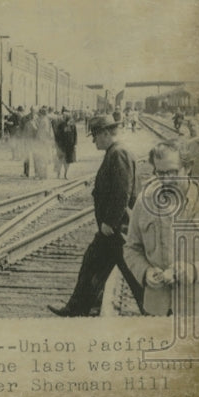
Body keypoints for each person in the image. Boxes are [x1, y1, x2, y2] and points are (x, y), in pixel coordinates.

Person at [47, 114, 144, 316]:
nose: (93, 141)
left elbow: (122, 192)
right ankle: (76, 308)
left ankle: (155, 312)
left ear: (106, 133)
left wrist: (110, 222)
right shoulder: (116, 151)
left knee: (133, 273)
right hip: (114, 229)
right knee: (92, 263)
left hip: (118, 228)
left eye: (96, 136)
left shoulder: (118, 153)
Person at [124, 142, 199, 316]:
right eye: (160, 173)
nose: (165, 180)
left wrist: (193, 271)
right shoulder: (145, 202)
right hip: (156, 309)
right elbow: (131, 248)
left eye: (172, 172)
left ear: (187, 168)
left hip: (198, 310)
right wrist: (145, 272)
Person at [53, 109, 78, 179]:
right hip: (62, 146)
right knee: (60, 160)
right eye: (63, 116)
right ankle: (58, 174)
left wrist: (75, 143)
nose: (63, 117)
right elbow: (57, 135)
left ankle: (65, 174)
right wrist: (57, 144)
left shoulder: (73, 125)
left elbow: (75, 134)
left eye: (65, 116)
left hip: (70, 146)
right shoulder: (61, 125)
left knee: (68, 160)